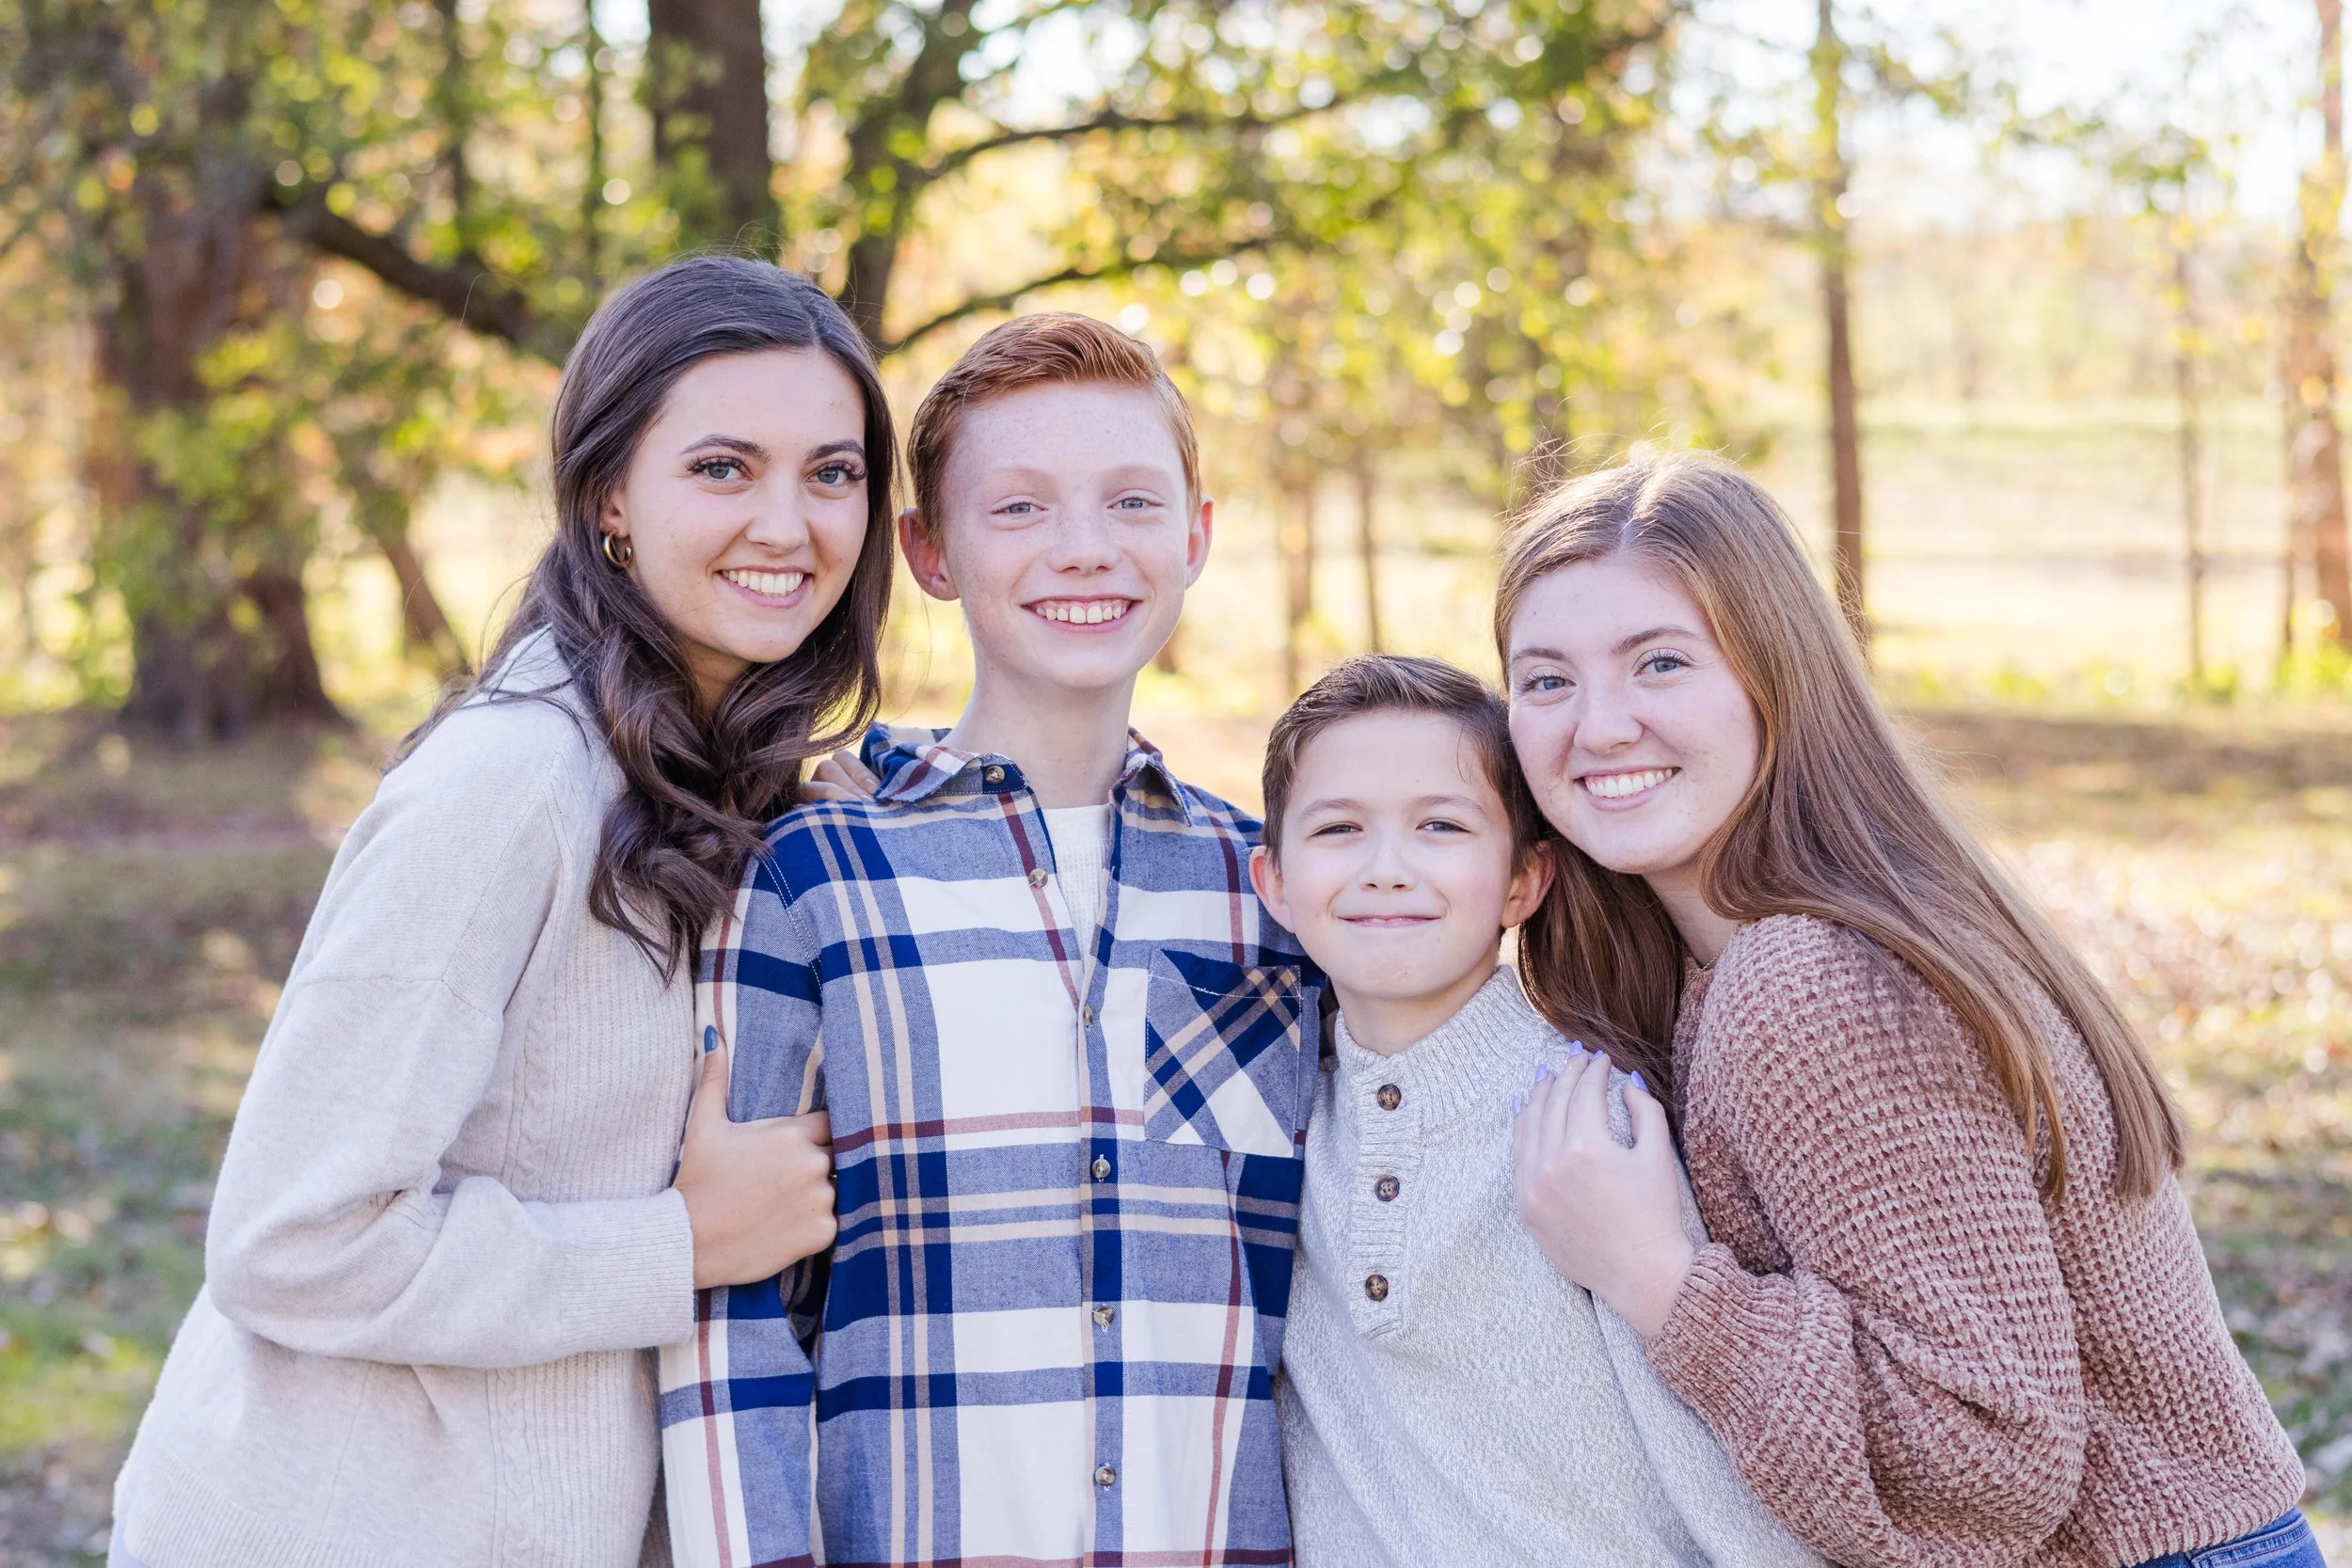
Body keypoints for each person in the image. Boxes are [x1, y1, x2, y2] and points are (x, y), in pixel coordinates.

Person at [107, 256, 885, 1568]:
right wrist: (680, 1242)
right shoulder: (512, 785)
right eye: (721, 467)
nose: (788, 522)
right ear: (608, 499)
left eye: (832, 471)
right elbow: (290, 1236)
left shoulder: (698, 772)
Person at [1501, 454, 2318, 1568]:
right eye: (1545, 680)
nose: (1598, 726)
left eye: (1659, 662)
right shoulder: (1750, 952)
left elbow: (1984, 1464)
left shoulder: (1811, 982)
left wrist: (1657, 1279)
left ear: (1772, 680)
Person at [658, 313, 1322, 1568]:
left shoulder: (1275, 895)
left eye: (1131, 499)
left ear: (1195, 535)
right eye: (1017, 507)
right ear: (930, 550)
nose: (1085, 546)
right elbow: (731, 1313)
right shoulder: (817, 869)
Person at [1250, 654, 1821, 1568]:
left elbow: (1722, 1471)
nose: (1386, 868)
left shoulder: (1591, 1123)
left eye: (1439, 825)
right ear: (1273, 879)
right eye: (1339, 828)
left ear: (1523, 881)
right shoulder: (1282, 1130)